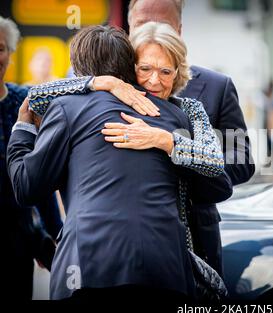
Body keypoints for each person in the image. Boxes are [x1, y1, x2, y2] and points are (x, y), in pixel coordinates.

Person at [27, 0, 255, 277]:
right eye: (142, 25)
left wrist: (178, 163)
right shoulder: (106, 89)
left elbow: (239, 160)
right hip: (118, 240)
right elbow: (39, 97)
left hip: (193, 230)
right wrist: (100, 82)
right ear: (129, 30)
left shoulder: (214, 88)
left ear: (179, 30)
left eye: (163, 24)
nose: (154, 80)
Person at [0, 16, 62, 300]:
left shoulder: (23, 101)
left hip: (19, 236)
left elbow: (40, 173)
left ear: (11, 55)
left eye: (1, 48)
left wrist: (55, 235)